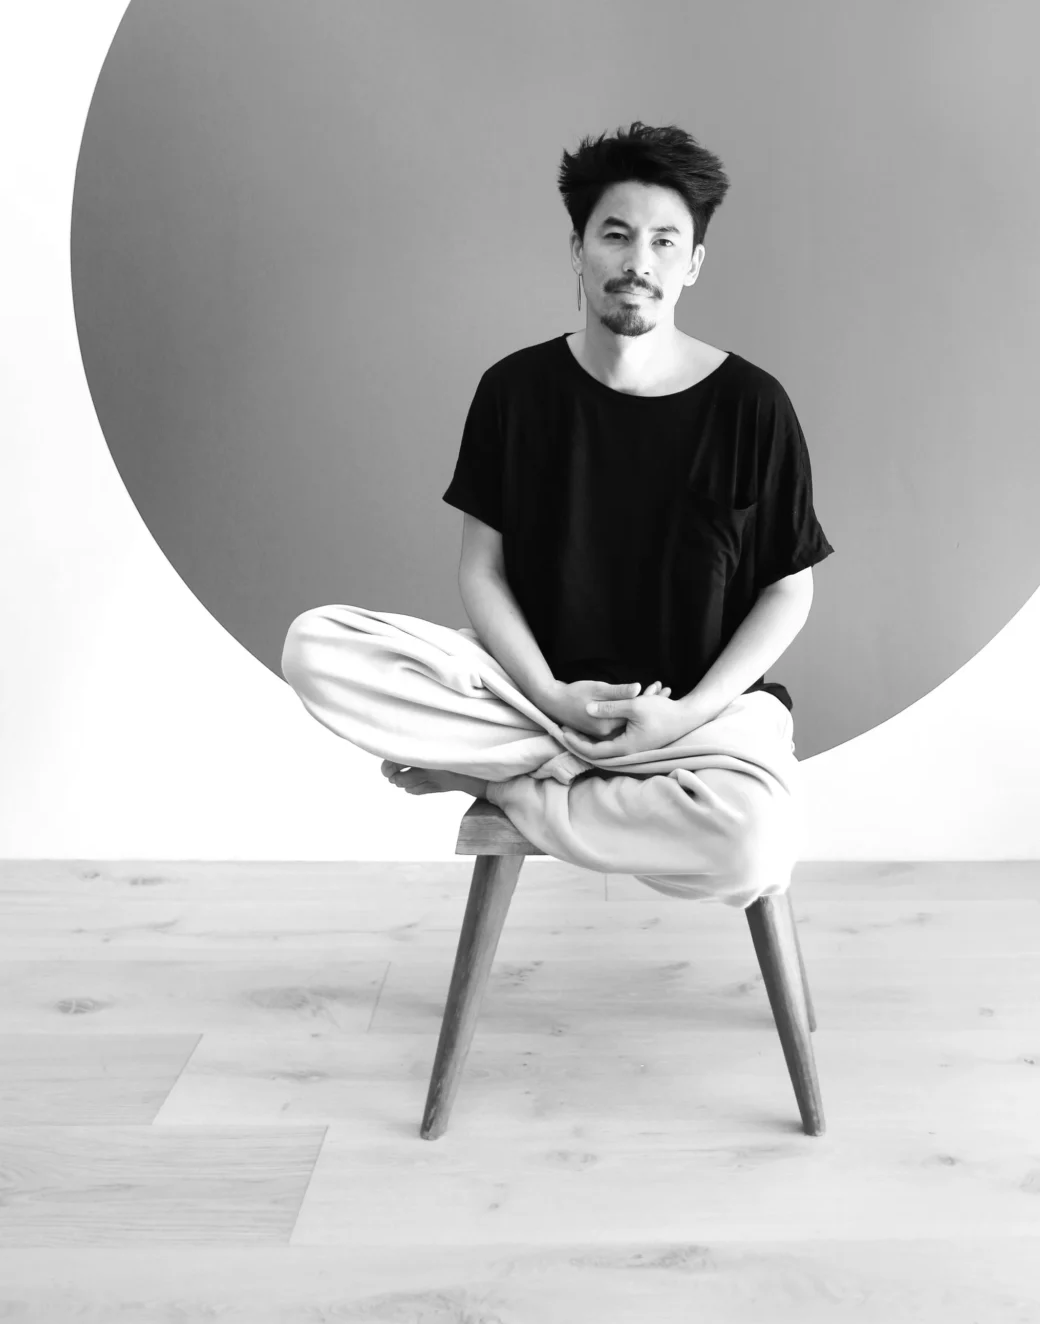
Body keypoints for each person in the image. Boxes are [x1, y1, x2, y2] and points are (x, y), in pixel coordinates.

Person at [281, 120, 834, 907]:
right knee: (316, 647)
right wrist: (547, 693)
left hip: (695, 723)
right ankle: (561, 764)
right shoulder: (514, 392)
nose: (639, 262)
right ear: (578, 249)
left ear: (693, 264)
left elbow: (789, 587)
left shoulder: (752, 405)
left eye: (665, 242)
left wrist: (684, 717)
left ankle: (509, 781)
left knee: (753, 850)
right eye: (616, 235)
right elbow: (483, 571)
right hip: (529, 697)